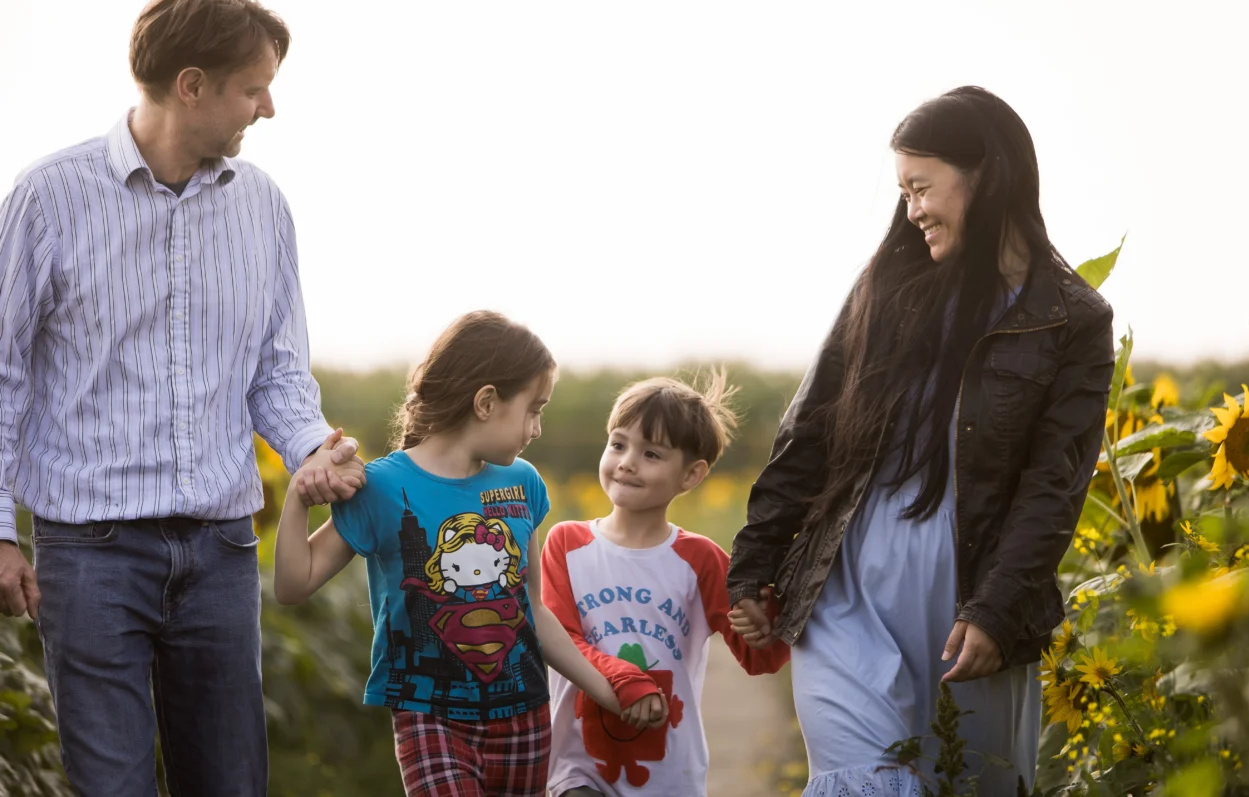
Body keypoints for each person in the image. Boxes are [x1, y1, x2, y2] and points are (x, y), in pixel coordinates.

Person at [0, 0, 361, 796]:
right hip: (89, 554)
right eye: (253, 87)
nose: (267, 108)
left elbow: (275, 370)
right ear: (191, 85)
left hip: (221, 550)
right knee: (113, 786)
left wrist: (315, 448)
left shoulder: (264, 207)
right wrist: (0, 532)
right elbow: (2, 375)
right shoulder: (48, 198)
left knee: (230, 784)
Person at [726, 86, 1114, 794]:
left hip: (972, 598)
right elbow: (809, 429)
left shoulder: (1074, 321)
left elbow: (1054, 483)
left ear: (988, 176)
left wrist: (997, 609)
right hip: (847, 587)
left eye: (921, 187)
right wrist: (755, 560)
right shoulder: (885, 285)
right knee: (862, 778)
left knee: (972, 781)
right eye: (903, 191)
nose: (912, 211)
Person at [273, 310, 622, 797]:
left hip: (525, 716)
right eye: (533, 409)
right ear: (485, 402)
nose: (537, 428)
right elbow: (292, 585)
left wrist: (608, 690)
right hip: (428, 715)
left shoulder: (524, 484)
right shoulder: (383, 486)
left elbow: (533, 609)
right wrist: (298, 498)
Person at [542, 373, 790, 797]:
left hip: (670, 774)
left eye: (651, 453)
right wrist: (626, 679)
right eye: (618, 444)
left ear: (691, 475)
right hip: (578, 765)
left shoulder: (701, 560)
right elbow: (559, 637)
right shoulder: (567, 543)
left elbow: (759, 658)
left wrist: (768, 617)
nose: (627, 462)